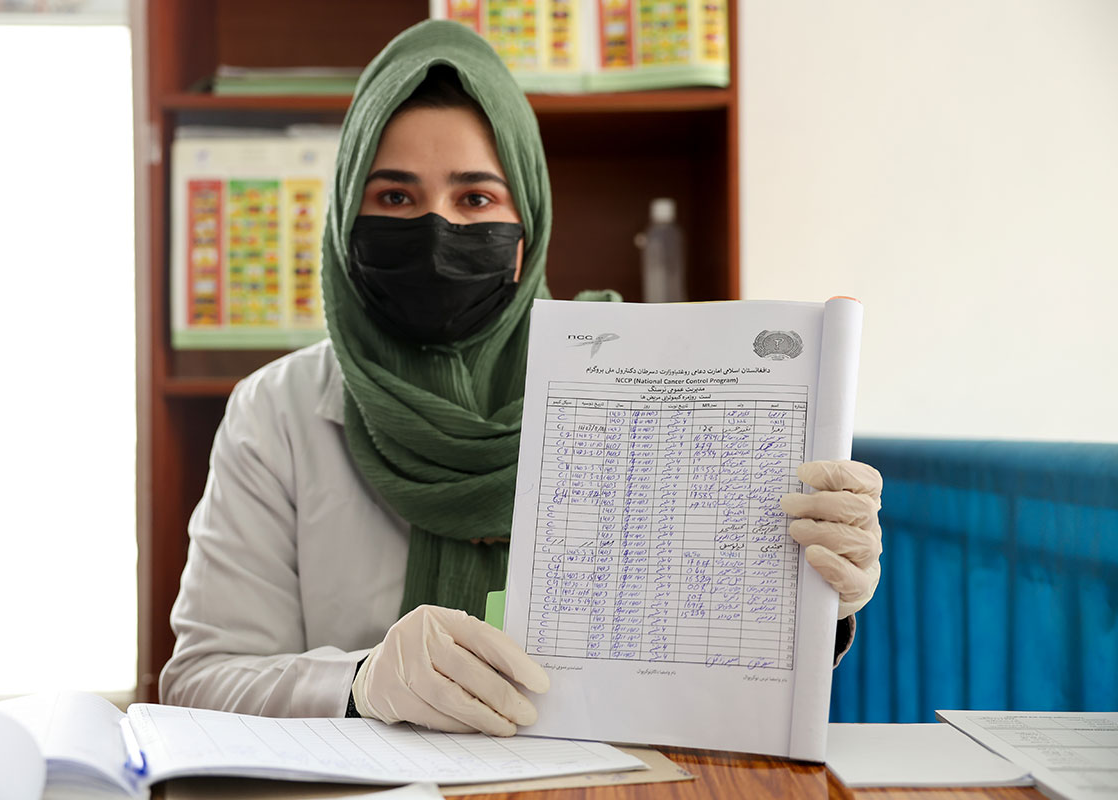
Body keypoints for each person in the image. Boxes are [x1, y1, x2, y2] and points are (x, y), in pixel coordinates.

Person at [160, 20, 884, 738]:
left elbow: (710, 653)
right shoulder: (278, 410)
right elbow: (199, 680)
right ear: (346, 220)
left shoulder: (644, 388)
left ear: (525, 229)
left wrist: (818, 597)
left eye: (475, 199)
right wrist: (357, 684)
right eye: (395, 198)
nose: (436, 228)